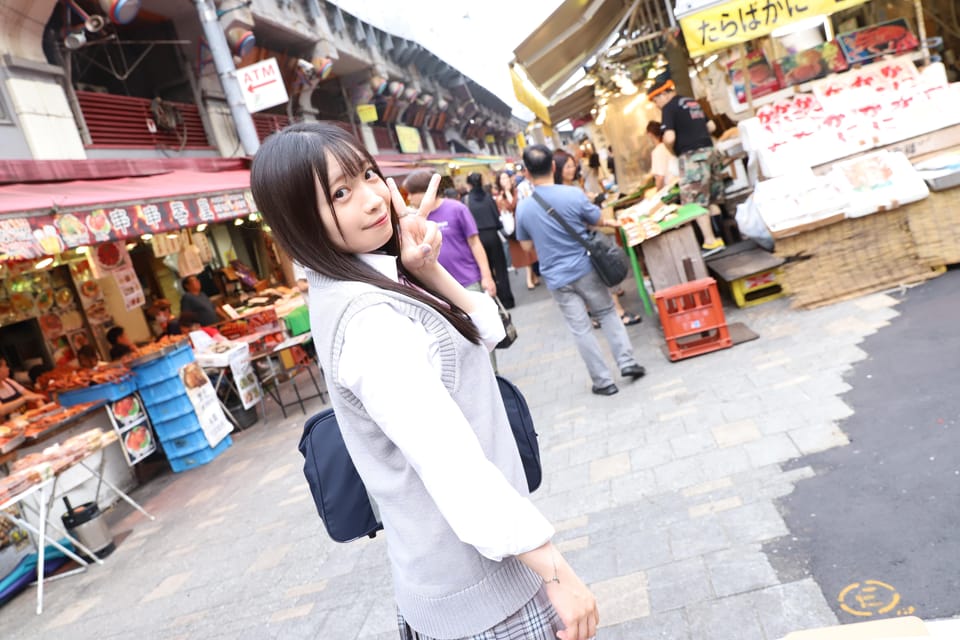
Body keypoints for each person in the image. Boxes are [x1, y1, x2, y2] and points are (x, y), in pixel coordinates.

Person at [249, 122, 598, 640]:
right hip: (487, 593)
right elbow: (450, 463)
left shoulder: (364, 281)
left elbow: (492, 330)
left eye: (368, 175)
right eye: (341, 193)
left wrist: (427, 270)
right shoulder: (369, 317)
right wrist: (556, 572)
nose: (372, 200)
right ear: (300, 219)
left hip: (462, 580)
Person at [516, 144, 646, 396]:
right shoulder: (572, 195)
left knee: (580, 328)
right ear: (553, 167)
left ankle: (603, 382)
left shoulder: (523, 208)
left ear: (527, 174)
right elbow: (597, 219)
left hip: (555, 276)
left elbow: (526, 246)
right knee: (607, 311)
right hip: (585, 268)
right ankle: (627, 362)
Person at [554, 150, 642, 328]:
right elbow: (591, 216)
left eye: (573, 165)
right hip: (586, 241)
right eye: (568, 166)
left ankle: (594, 314)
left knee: (592, 279)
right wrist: (609, 222)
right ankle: (618, 312)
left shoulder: (561, 191)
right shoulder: (569, 191)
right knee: (604, 271)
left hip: (574, 245)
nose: (572, 169)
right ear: (558, 169)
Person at [648, 78, 726, 252]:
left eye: (656, 100)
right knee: (712, 199)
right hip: (710, 153)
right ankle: (722, 239)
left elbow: (669, 137)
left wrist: (672, 150)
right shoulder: (691, 102)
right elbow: (711, 127)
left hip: (692, 157)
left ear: (664, 94)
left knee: (696, 202)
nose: (657, 105)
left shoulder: (669, 108)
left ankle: (710, 241)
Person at [465, 173, 515, 309]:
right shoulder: (488, 197)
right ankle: (508, 299)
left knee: (486, 270)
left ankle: (494, 300)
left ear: (469, 185)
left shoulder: (467, 200)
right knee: (501, 269)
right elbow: (497, 217)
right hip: (493, 235)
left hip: (477, 238)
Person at [496, 170, 539, 291]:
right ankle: (531, 278)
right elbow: (506, 209)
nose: (505, 181)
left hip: (522, 225)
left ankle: (531, 278)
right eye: (502, 179)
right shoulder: (500, 197)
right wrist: (505, 194)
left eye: (506, 178)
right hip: (512, 230)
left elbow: (518, 204)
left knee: (528, 252)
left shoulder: (517, 191)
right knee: (524, 255)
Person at [647, 120, 680, 190]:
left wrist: (656, 193)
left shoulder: (657, 152)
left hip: (669, 189)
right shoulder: (668, 146)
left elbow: (660, 177)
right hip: (677, 184)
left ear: (650, 134)